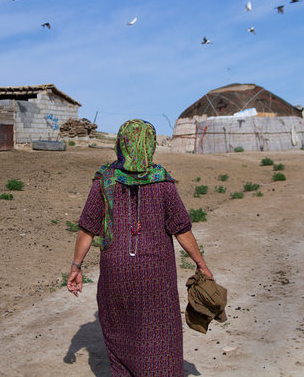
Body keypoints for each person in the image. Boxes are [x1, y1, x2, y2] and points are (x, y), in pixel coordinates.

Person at [67, 119, 212, 376]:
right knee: (159, 330)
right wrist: (201, 264)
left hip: (116, 270)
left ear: (121, 144)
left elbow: (88, 227)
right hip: (156, 272)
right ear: (151, 145)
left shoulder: (104, 179)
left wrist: (76, 267)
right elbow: (181, 228)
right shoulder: (163, 182)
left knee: (121, 327)